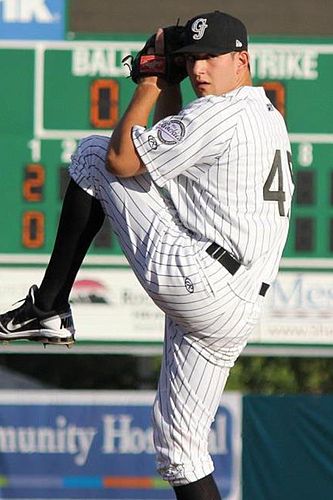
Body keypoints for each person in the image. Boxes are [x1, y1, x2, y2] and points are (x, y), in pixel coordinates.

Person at [0, 11, 294, 500]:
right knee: (180, 451)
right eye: (191, 59)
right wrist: (171, 87)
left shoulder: (220, 113)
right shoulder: (262, 114)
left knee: (95, 154)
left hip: (203, 277)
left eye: (210, 58)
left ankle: (49, 306)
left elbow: (122, 160)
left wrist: (151, 81)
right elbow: (167, 161)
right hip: (236, 305)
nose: (199, 69)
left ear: (241, 60)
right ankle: (49, 310)